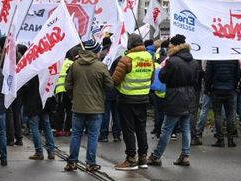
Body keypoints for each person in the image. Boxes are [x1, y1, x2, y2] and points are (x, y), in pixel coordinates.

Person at [147, 34, 200, 166]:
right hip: (189, 96)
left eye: (171, 44)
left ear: (176, 46)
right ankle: (185, 155)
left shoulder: (172, 61)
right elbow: (196, 79)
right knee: (186, 127)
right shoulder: (194, 61)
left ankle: (156, 155)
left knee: (166, 129)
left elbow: (163, 77)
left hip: (175, 96)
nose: (169, 46)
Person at [64, 39, 113, 173]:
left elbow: (67, 85)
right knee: (93, 135)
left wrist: (74, 97)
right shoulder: (101, 66)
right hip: (96, 107)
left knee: (76, 135)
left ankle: (72, 162)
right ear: (95, 52)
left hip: (78, 106)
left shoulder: (75, 65)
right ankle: (90, 163)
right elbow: (109, 85)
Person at [111, 33, 154, 171]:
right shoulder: (149, 58)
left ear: (130, 45)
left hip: (127, 98)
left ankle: (130, 159)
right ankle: (143, 158)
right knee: (141, 129)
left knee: (128, 129)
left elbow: (115, 81)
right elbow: (151, 79)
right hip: (143, 98)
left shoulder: (126, 60)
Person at [21, 71, 57, 161]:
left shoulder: (30, 71)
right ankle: (51, 151)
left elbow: (24, 89)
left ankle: (39, 152)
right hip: (45, 102)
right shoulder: (46, 70)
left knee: (34, 127)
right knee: (47, 126)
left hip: (33, 104)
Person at [205, 58, 240, 147]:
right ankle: (230, 140)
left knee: (218, 115)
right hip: (230, 89)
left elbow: (208, 75)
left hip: (216, 89)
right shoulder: (233, 58)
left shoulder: (212, 58)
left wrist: (207, 89)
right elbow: (238, 74)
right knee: (230, 115)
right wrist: (234, 86)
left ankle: (220, 139)